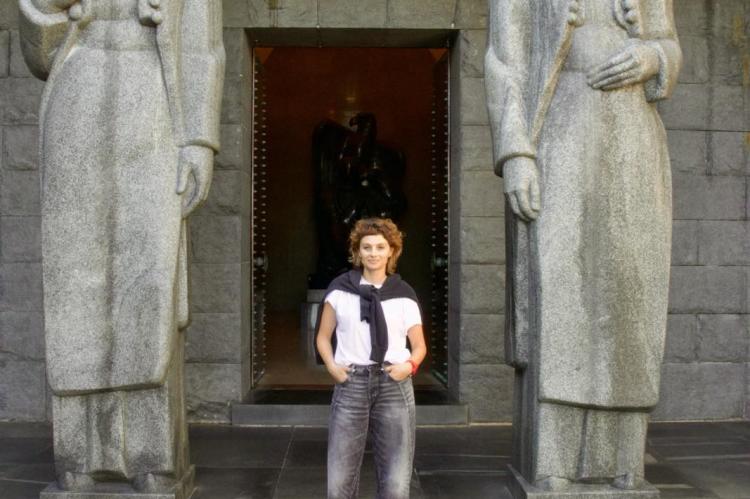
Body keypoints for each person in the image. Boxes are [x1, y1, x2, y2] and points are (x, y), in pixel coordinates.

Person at [19, 0, 224, 494]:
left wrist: (199, 141)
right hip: (79, 86)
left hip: (154, 95)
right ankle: (77, 455)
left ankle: (152, 457)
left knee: (147, 278)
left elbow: (203, 46)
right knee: (76, 281)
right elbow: (39, 51)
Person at [485, 0, 681, 493]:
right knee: (562, 300)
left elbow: (669, 45)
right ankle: (554, 460)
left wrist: (654, 57)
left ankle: (624, 460)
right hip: (561, 130)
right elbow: (505, 61)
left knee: (631, 300)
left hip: (635, 139)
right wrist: (516, 153)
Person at [316, 218, 426, 499]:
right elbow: (323, 337)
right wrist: (332, 367)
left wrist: (409, 366)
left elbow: (419, 346)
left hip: (393, 385)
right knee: (339, 482)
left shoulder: (404, 294)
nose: (373, 253)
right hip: (351, 383)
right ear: (357, 252)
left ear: (391, 251)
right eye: (367, 247)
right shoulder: (340, 290)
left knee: (395, 482)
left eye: (380, 247)